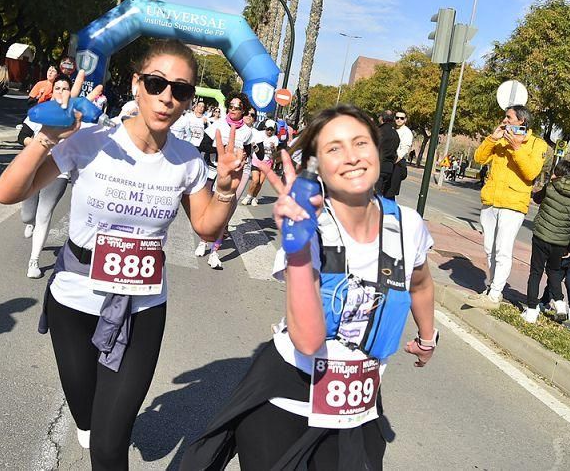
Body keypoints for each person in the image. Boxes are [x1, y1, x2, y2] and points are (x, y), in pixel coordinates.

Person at [0, 39, 246, 470]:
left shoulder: (186, 161)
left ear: (189, 100)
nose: (167, 96)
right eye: (156, 83)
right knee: (88, 416)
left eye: (181, 90)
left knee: (110, 444)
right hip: (75, 297)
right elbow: (7, 193)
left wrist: (224, 188)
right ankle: (91, 422)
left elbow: (207, 226)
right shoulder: (91, 141)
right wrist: (47, 140)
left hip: (143, 304)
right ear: (136, 84)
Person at [181, 104, 437, 470]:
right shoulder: (308, 222)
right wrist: (298, 247)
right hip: (286, 399)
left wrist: (427, 338)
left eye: (360, 143)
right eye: (334, 148)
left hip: (356, 407)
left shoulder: (408, 225)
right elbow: (308, 339)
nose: (351, 157)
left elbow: (421, 283)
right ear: (318, 164)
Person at [472, 105, 548, 306]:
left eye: (508, 117)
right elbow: (479, 158)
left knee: (502, 250)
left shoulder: (536, 144)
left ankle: (496, 292)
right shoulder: (499, 140)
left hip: (513, 204)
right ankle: (492, 285)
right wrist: (492, 139)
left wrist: (516, 148)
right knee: (490, 248)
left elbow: (531, 173)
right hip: (491, 201)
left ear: (521, 121)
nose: (504, 120)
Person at [20, 74, 73, 278]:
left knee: (45, 213)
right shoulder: (41, 112)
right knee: (28, 215)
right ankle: (30, 223)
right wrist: (39, 145)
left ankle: (33, 261)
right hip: (34, 166)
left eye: (65, 88)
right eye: (57, 88)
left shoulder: (76, 116)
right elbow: (21, 136)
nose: (61, 92)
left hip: (59, 171)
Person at [195, 93, 255, 270]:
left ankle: (215, 251)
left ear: (243, 109)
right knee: (208, 209)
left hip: (234, 177)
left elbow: (250, 152)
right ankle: (203, 240)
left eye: (237, 107)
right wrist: (221, 151)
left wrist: (250, 152)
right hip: (213, 171)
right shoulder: (218, 125)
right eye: (231, 106)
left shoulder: (247, 132)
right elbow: (202, 146)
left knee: (224, 213)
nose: (233, 109)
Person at [521, 159, 570, 322]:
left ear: (560, 174)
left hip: (541, 236)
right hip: (561, 242)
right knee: (554, 272)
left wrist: (546, 187)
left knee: (535, 272)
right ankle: (560, 305)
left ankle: (531, 311)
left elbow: (536, 199)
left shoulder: (550, 187)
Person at [242, 120, 280, 206]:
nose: (269, 131)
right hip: (257, 159)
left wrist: (273, 148)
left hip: (267, 162)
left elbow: (275, 152)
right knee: (255, 180)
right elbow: (253, 144)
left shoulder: (275, 138)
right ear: (265, 128)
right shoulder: (259, 134)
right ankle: (248, 196)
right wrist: (255, 147)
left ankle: (254, 198)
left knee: (260, 182)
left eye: (271, 130)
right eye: (268, 129)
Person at [387, 110, 412, 196]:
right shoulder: (392, 128)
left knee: (390, 194)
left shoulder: (407, 132)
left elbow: (403, 150)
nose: (399, 120)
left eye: (402, 118)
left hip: (397, 164)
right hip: (389, 161)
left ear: (405, 120)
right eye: (397, 117)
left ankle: (390, 209)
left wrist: (393, 162)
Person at [376, 110, 398, 197]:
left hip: (378, 166)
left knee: (374, 194)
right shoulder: (395, 133)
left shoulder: (380, 131)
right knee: (380, 192)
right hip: (388, 168)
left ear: (382, 118)